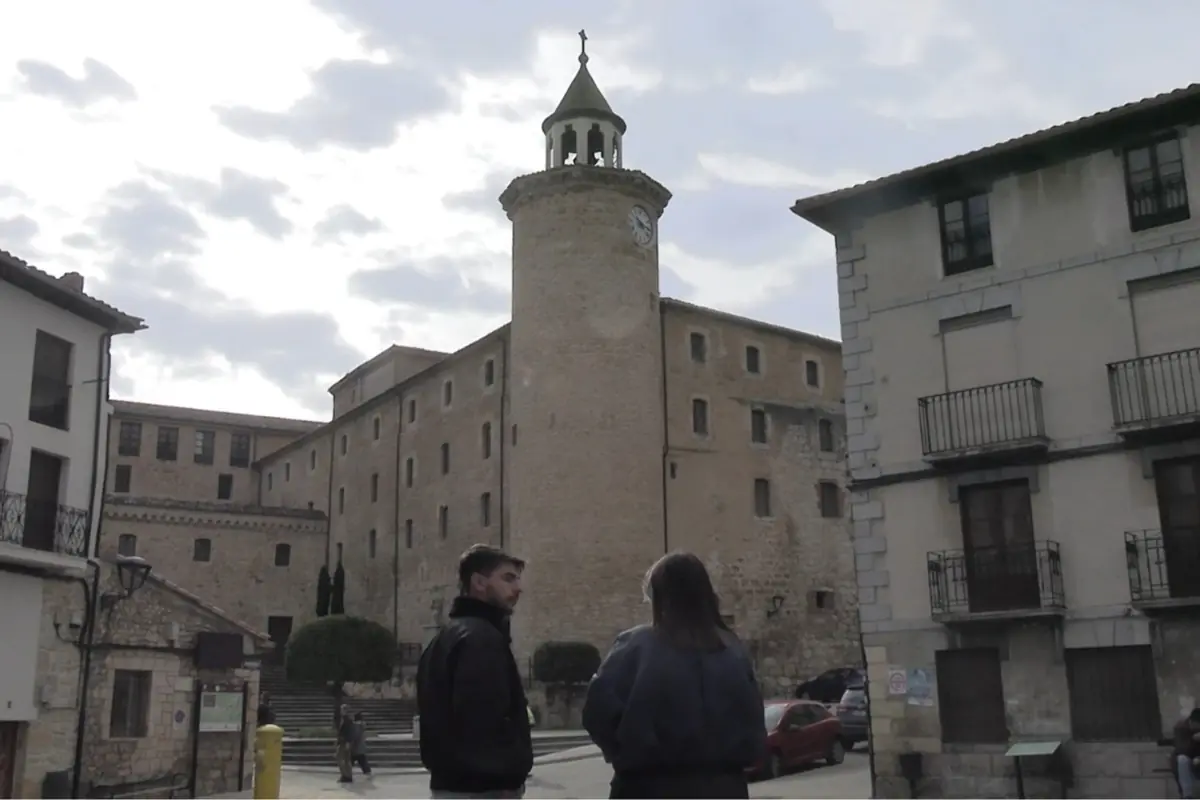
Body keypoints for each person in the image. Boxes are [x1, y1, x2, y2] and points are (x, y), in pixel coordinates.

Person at [582, 551, 767, 799]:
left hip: (648, 786)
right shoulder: (734, 651)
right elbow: (753, 722)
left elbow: (598, 711)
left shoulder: (636, 646)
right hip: (724, 787)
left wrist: (623, 751)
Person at [418, 544, 533, 799]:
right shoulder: (482, 640)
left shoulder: (443, 639)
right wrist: (508, 770)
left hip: (452, 784)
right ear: (479, 582)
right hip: (483, 788)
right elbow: (482, 718)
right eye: (508, 578)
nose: (518, 588)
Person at [1173, 707, 1200, 799]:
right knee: (1182, 760)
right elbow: (1181, 749)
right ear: (1191, 722)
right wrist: (1193, 740)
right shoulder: (1181, 727)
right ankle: (1187, 795)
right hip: (1187, 757)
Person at [335, 704, 355, 784]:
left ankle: (345, 775)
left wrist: (347, 742)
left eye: (342, 710)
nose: (340, 711)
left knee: (339, 757)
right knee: (346, 759)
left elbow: (349, 732)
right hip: (345, 742)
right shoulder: (346, 719)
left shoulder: (347, 720)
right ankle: (349, 776)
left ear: (345, 711)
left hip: (344, 742)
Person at [351, 711, 372, 777]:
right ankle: (367, 772)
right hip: (361, 746)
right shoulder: (362, 725)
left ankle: (347, 773)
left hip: (356, 746)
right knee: (362, 760)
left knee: (352, 760)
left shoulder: (356, 725)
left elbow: (355, 736)